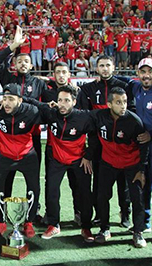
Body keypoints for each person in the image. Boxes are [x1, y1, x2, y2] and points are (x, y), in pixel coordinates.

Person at [25, 85, 95, 242]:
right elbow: (34, 102)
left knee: (84, 193)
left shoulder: (84, 117)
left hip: (79, 160)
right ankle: (54, 224)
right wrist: (13, 96)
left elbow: (95, 136)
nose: (62, 104)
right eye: (60, 100)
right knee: (52, 192)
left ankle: (86, 227)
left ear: (74, 102)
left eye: (66, 101)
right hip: (56, 160)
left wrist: (88, 156)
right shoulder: (51, 113)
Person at [0, 25, 47, 212]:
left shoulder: (39, 83)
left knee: (32, 178)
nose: (23, 64)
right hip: (8, 138)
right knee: (5, 177)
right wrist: (14, 45)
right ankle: (4, 208)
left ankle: (34, 210)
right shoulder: (8, 79)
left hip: (32, 138)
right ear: (14, 64)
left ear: (31, 65)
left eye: (26, 61)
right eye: (19, 61)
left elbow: (48, 106)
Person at [78, 55, 132, 228]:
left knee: (123, 183)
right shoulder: (88, 89)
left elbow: (130, 111)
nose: (105, 68)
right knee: (100, 183)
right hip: (98, 142)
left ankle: (125, 212)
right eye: (101, 65)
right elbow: (85, 115)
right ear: (96, 68)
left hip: (121, 141)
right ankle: (101, 215)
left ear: (113, 67)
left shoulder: (124, 86)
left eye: (108, 65)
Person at [90, 87, 148, 248]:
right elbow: (80, 116)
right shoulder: (99, 116)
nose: (123, 106)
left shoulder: (134, 121)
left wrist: (141, 170)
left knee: (137, 198)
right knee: (102, 196)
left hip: (132, 165)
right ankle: (104, 229)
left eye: (124, 102)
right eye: (118, 102)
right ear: (109, 104)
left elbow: (144, 146)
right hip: (108, 163)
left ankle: (138, 232)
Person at [120, 58, 152, 244]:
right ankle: (145, 222)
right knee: (142, 188)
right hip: (141, 150)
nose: (146, 75)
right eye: (143, 72)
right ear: (138, 73)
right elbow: (119, 79)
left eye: (150, 71)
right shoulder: (136, 88)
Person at [0, 84, 42, 239]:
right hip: (3, 156)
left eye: (11, 99)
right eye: (4, 99)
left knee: (34, 189)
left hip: (27, 156)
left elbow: (48, 112)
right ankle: (1, 221)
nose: (6, 103)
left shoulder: (31, 111)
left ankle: (29, 222)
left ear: (20, 100)